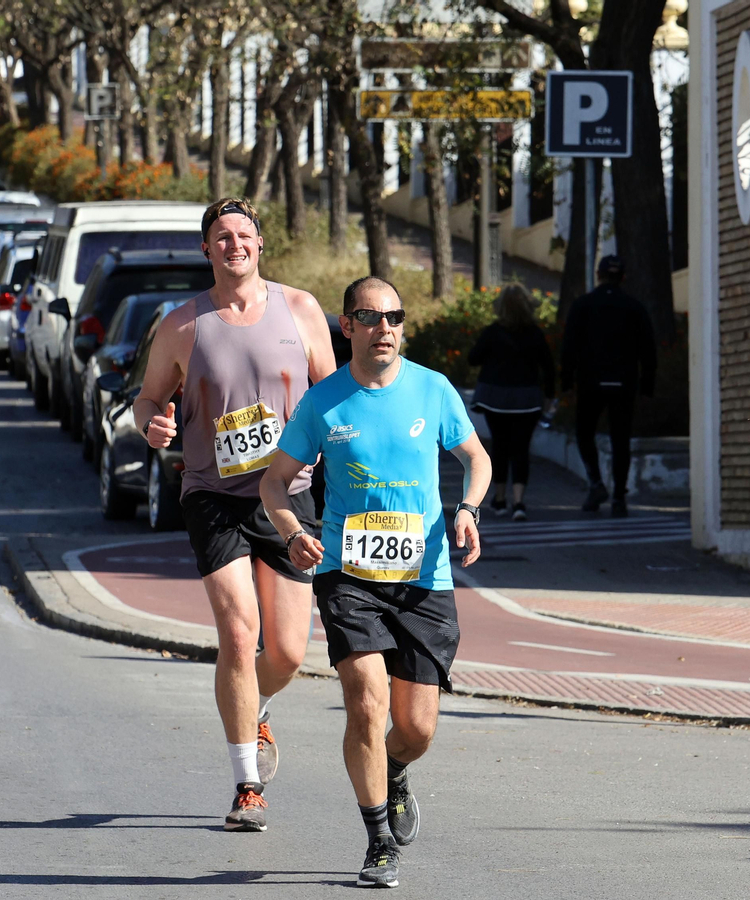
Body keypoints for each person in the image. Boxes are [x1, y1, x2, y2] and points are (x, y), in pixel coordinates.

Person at [259, 274, 490, 889]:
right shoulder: (323, 402)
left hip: (424, 575)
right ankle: (378, 839)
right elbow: (273, 482)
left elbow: (477, 458)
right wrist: (292, 533)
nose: (384, 329)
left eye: (395, 317)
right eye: (370, 317)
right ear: (347, 327)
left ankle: (393, 771)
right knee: (365, 700)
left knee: (416, 728)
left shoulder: (433, 390)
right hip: (347, 574)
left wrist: (467, 510)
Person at [132, 197, 335, 833]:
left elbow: (333, 395)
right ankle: (247, 783)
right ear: (206, 249)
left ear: (261, 244)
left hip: (289, 493)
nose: (234, 246)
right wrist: (154, 426)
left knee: (290, 653)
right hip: (212, 496)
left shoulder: (299, 309)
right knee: (239, 635)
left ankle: (261, 706)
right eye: (221, 237)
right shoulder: (182, 324)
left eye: (243, 235)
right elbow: (145, 399)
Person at [559, 255, 657, 518]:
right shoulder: (634, 307)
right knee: (620, 440)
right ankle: (619, 498)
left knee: (584, 433)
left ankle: (596, 483)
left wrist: (566, 381)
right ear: (623, 277)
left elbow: (569, 347)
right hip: (624, 382)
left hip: (591, 382)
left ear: (599, 275)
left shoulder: (583, 305)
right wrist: (647, 386)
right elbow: (648, 349)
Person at [467, 284, 555, 521]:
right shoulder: (535, 334)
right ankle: (519, 502)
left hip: (496, 399)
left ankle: (499, 498)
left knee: (500, 446)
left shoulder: (493, 332)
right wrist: (549, 397)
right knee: (521, 449)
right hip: (527, 399)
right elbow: (548, 368)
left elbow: (472, 359)